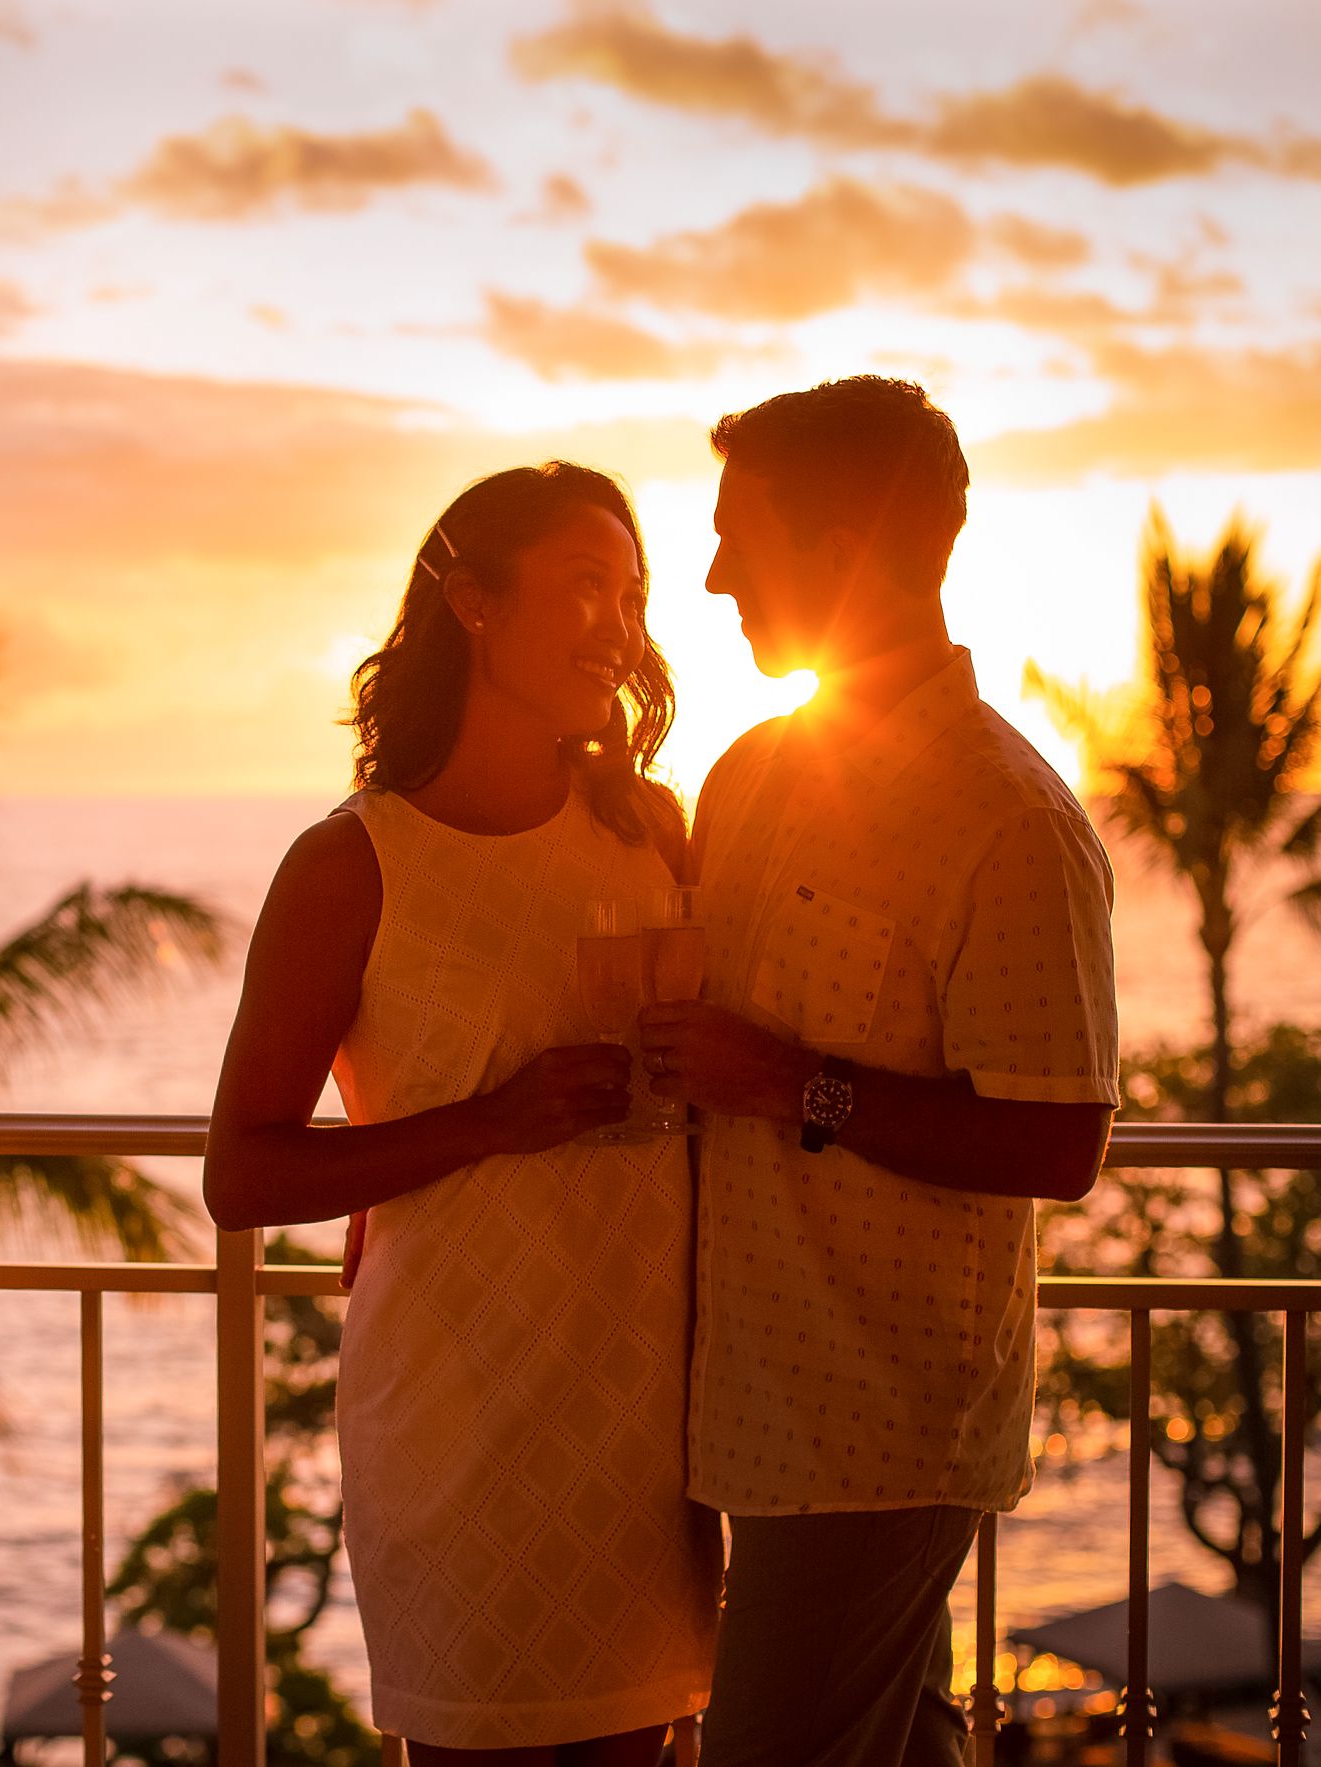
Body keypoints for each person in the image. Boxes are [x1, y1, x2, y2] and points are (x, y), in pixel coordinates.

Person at [204, 462, 721, 1766]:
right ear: (474, 602)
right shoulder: (351, 864)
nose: (621, 626)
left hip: (640, 1427)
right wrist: (487, 1123)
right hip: (454, 1426)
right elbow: (241, 1174)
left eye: (635, 595)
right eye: (587, 587)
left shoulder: (651, 831)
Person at [637, 378, 1120, 1767]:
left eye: (738, 539)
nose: (713, 576)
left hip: (876, 1428)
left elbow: (1058, 1145)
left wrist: (796, 1085)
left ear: (843, 549)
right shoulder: (747, 774)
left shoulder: (1010, 820)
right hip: (741, 1406)